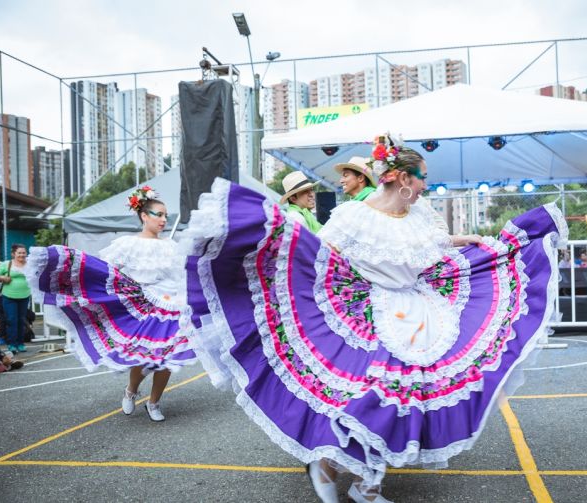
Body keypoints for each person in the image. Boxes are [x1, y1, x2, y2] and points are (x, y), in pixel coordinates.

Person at [183, 134, 566, 502]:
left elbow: (432, 244)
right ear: (401, 178)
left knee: (407, 403)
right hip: (368, 317)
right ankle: (332, 465)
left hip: (419, 314)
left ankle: (363, 485)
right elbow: (321, 255)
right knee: (370, 399)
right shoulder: (353, 217)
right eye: (422, 178)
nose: (425, 186)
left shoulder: (419, 215)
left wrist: (465, 241)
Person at [26, 185, 196, 422]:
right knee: (144, 354)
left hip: (173, 306)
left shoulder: (172, 246)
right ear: (144, 216)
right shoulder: (127, 244)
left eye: (166, 215)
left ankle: (154, 402)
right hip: (144, 305)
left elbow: (182, 275)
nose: (164, 219)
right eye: (159, 214)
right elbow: (104, 268)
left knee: (168, 357)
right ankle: (131, 390)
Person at [0, 244, 31, 353]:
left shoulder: (30, 264)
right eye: (19, 253)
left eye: (24, 253)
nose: (22, 255)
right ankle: (12, 344)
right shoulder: (7, 264)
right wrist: (3, 278)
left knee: (21, 320)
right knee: (11, 320)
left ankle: (20, 343)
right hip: (9, 296)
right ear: (13, 254)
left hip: (24, 295)